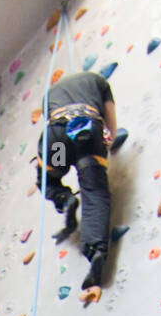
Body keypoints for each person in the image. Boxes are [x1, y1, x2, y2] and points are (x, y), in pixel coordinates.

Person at [34, 69, 117, 292]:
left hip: (59, 138)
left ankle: (64, 197)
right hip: (87, 132)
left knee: (50, 177)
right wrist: (110, 137)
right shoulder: (98, 81)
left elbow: (49, 120)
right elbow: (110, 119)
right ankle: (96, 250)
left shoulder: (49, 94)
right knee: (94, 190)